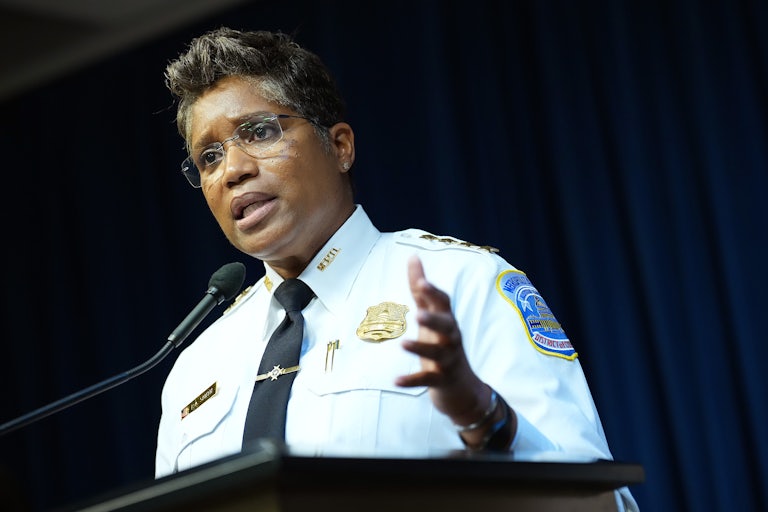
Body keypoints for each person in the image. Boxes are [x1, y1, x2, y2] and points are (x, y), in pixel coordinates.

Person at [155, 27, 638, 511]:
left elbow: (598, 502)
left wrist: (484, 421)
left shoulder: (461, 284)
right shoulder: (195, 368)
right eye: (209, 157)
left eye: (259, 132)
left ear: (339, 146)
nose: (232, 170)